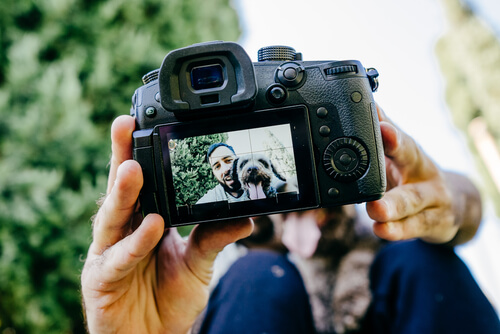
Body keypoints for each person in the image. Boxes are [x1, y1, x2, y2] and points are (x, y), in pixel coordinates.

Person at [81, 106, 500, 333]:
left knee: (419, 255)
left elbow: (465, 207)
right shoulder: (229, 265)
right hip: (258, 283)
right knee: (257, 275)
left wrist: (453, 202)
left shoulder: (386, 235)